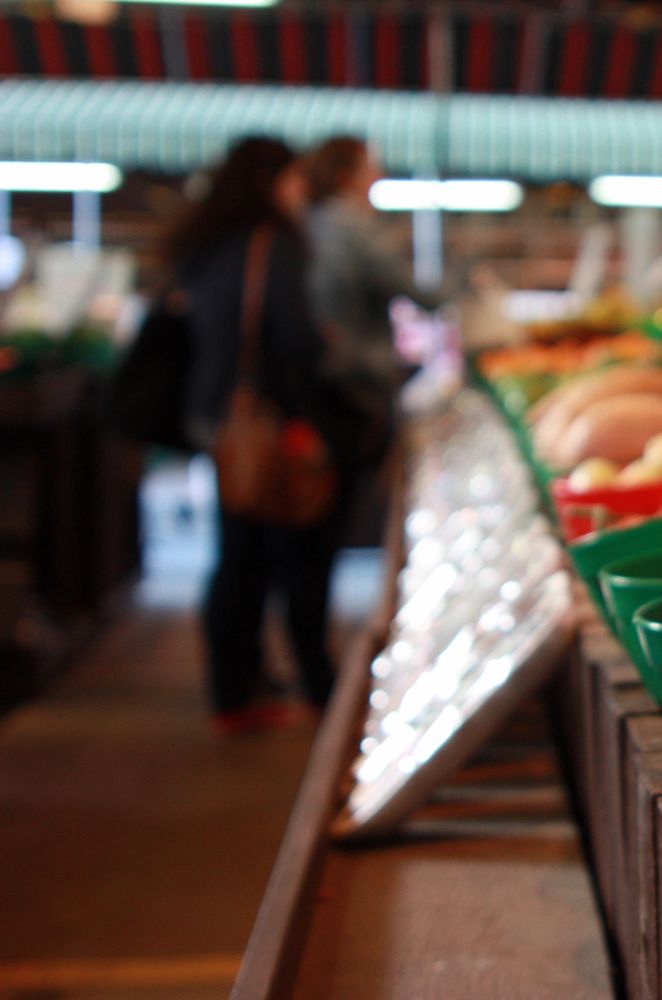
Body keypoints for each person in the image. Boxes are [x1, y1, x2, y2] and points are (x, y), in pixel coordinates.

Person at [163, 137, 359, 735]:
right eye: (295, 178)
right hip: (269, 418)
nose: (302, 191)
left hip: (218, 414)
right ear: (270, 181)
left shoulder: (206, 242)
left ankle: (235, 686)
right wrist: (317, 393)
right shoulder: (274, 242)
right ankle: (313, 682)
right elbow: (293, 339)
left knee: (237, 550)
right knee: (296, 552)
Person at [304, 136, 444, 463]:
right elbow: (414, 289)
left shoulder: (306, 222)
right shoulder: (354, 227)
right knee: (365, 476)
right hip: (360, 381)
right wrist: (463, 289)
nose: (379, 176)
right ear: (345, 176)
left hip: (318, 378)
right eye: (370, 169)